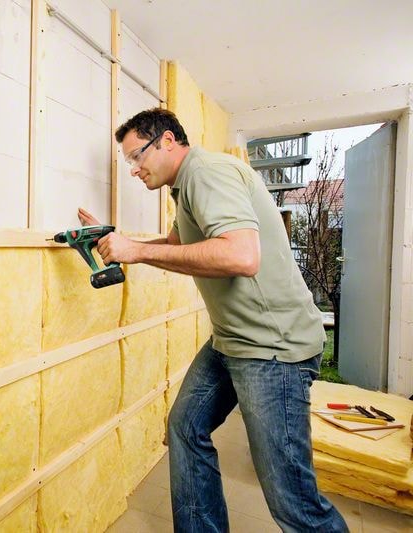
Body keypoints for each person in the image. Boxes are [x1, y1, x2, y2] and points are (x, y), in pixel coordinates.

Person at [78, 108, 348, 532]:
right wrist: (121, 242)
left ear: (168, 141)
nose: (133, 169)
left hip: (271, 348)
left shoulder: (207, 174)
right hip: (231, 340)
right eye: (128, 160)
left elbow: (241, 256)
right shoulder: (185, 186)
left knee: (292, 499)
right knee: (186, 428)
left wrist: (136, 251)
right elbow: (175, 246)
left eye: (136, 156)